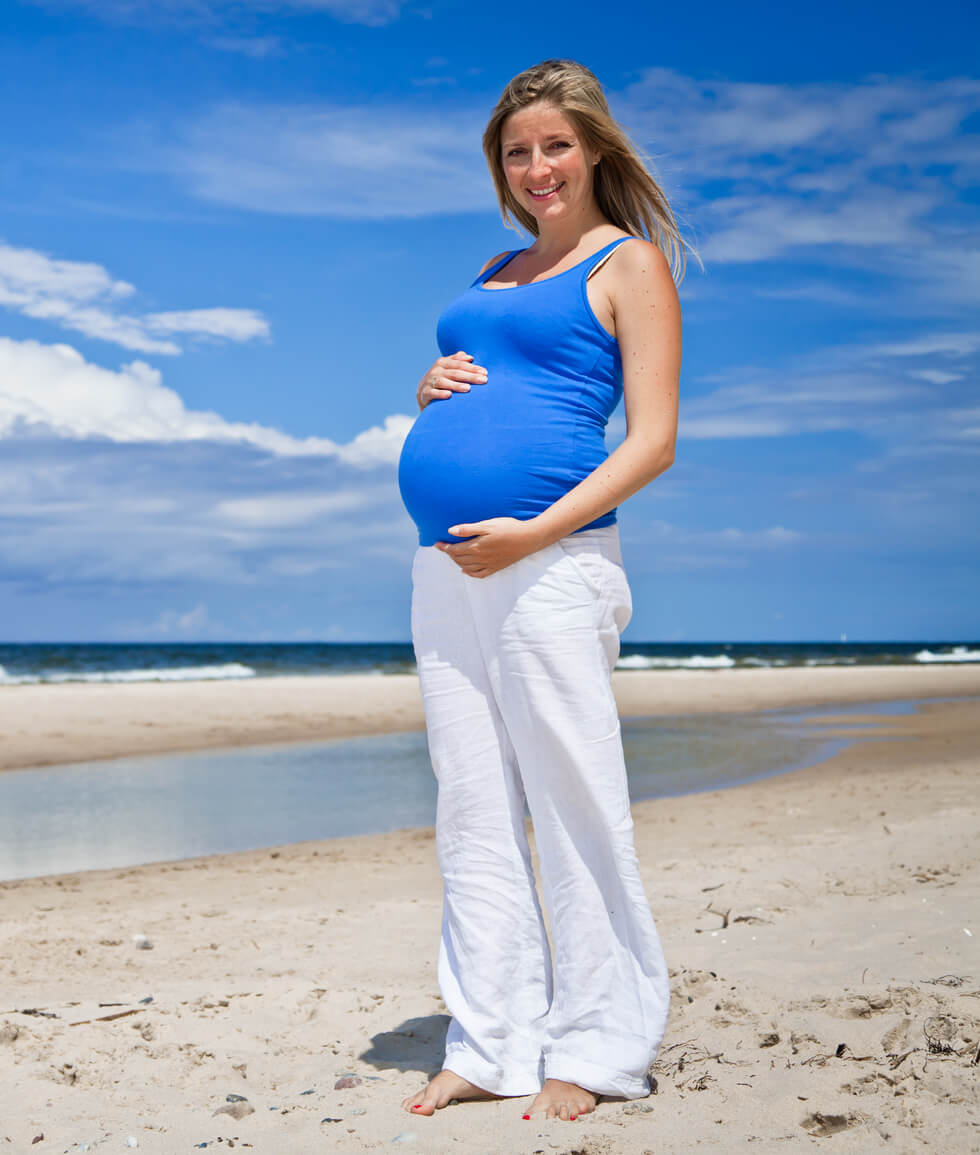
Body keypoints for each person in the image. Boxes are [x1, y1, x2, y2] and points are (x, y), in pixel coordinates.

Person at [394, 58, 693, 1124]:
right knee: (471, 808)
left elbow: (651, 440)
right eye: (517, 152)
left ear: (595, 149)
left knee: (574, 805)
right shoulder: (495, 264)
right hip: (445, 569)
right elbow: (490, 382)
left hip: (551, 563)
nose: (536, 167)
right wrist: (425, 389)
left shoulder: (629, 265)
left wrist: (535, 529)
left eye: (555, 146)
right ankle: (491, 1040)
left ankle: (602, 1046)